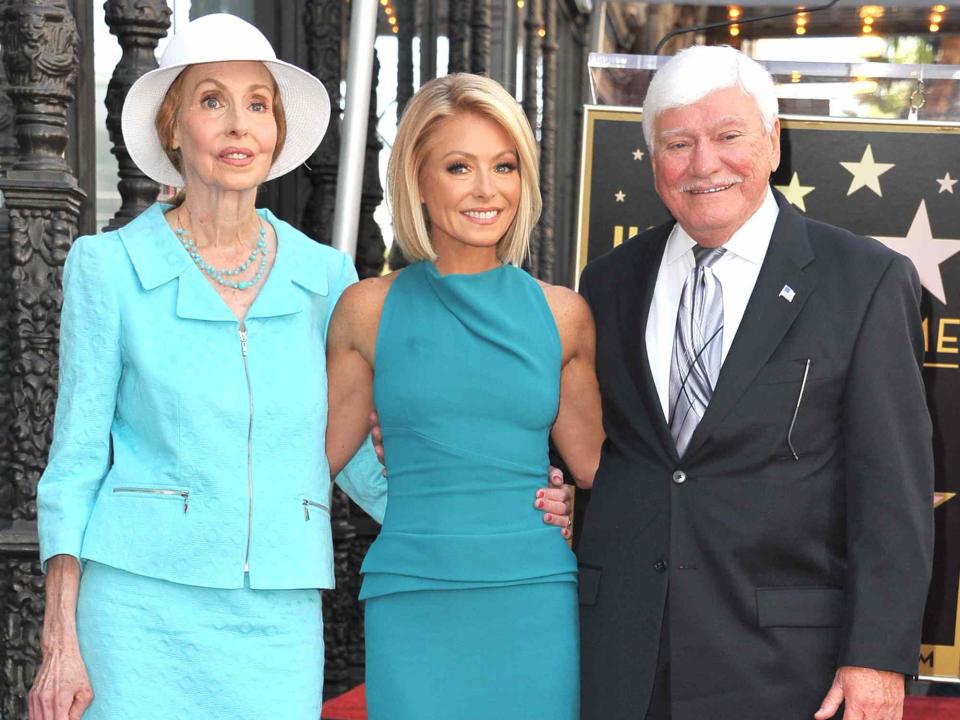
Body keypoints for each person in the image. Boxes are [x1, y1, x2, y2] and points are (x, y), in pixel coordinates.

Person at [27, 15, 568, 720]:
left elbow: (356, 457)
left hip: (279, 619)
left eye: (258, 105)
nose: (238, 125)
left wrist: (502, 510)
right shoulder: (109, 268)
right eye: (211, 101)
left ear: (277, 132)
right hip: (136, 611)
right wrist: (60, 640)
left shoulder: (327, 277)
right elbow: (72, 465)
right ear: (172, 128)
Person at [576, 45, 934, 720]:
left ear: (772, 141)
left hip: (785, 671)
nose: (703, 163)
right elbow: (600, 451)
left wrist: (878, 656)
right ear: (653, 162)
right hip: (624, 659)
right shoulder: (608, 283)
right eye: (678, 143)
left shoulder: (864, 280)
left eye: (727, 135)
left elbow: (893, 493)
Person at [325, 73, 605, 719]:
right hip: (412, 594)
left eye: (504, 166)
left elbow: (601, 469)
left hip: (533, 596)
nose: (487, 189)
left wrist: (569, 503)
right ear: (418, 181)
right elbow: (319, 459)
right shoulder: (367, 309)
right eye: (459, 167)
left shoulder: (564, 315)